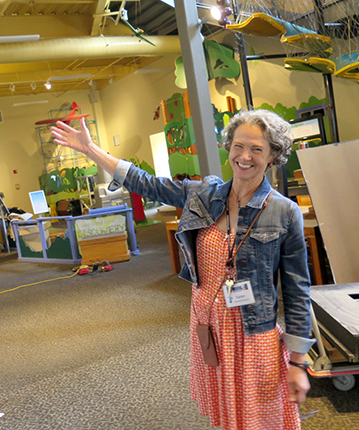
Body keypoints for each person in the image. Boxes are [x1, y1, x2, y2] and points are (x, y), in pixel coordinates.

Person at [51, 109, 314, 430]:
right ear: (228, 147)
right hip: (208, 325)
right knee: (228, 414)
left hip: (251, 333)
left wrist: (298, 362)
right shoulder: (204, 194)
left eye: (257, 149)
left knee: (261, 416)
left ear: (273, 155)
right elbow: (144, 183)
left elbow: (297, 289)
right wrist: (91, 150)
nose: (245, 156)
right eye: (238, 146)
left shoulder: (284, 212)